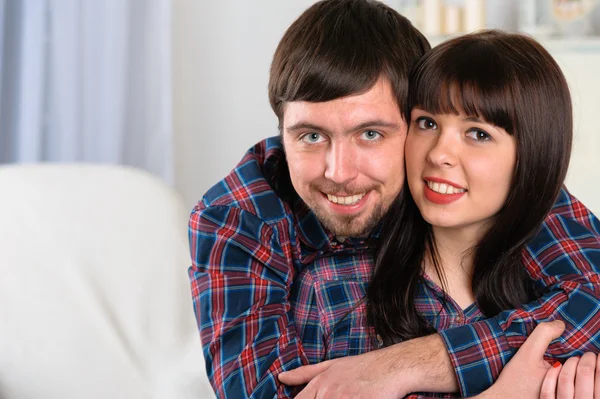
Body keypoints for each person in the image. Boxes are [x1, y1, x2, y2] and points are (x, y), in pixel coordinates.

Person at [188, 1, 600, 398]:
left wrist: (404, 364)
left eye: (370, 134)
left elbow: (593, 292)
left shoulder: (491, 185)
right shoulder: (246, 224)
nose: (339, 172)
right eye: (311, 136)